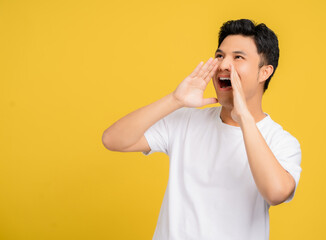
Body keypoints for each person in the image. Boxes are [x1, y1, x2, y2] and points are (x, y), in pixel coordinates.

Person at [102, 19, 302, 240]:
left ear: (264, 72)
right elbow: (113, 140)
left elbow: (275, 193)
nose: (224, 65)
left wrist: (243, 116)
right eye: (219, 56)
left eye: (238, 57)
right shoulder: (186, 121)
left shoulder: (281, 141)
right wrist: (175, 100)